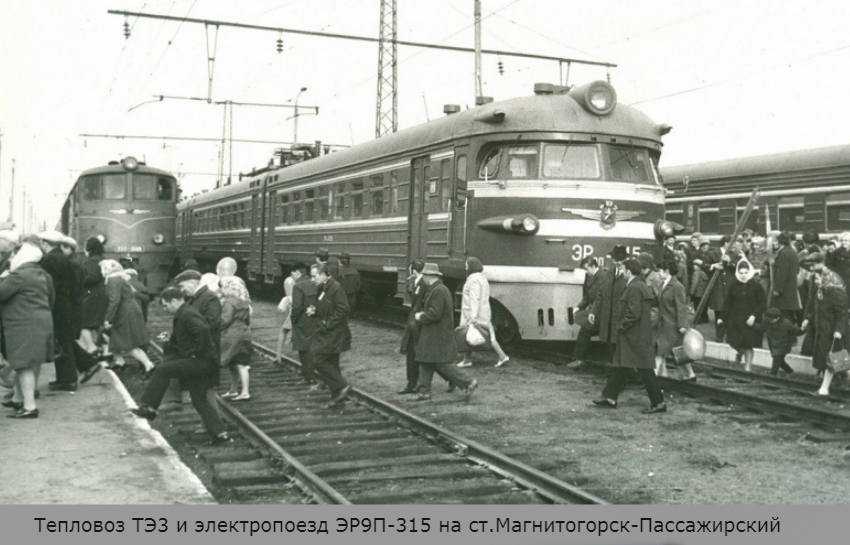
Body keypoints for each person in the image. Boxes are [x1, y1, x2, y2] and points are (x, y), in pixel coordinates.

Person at [131, 287, 232, 445]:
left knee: (162, 370)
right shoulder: (185, 313)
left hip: (201, 362)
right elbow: (186, 338)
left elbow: (203, 330)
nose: (165, 309)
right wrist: (170, 340)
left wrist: (195, 352)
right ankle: (220, 434)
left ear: (175, 301)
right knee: (199, 399)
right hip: (206, 362)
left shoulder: (187, 313)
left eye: (166, 305)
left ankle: (149, 408)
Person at [592, 258, 666, 413]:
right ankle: (610, 398)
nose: (622, 271)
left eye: (624, 269)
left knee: (644, 369)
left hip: (633, 335)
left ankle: (658, 403)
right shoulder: (639, 285)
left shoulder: (634, 287)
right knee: (621, 365)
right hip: (636, 335)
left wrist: (621, 326)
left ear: (629, 271)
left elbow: (634, 313)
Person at [0, 240, 54, 418]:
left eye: (16, 254)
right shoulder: (43, 274)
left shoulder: (18, 275)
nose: (13, 257)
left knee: (22, 366)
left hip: (22, 326)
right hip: (41, 323)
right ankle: (17, 400)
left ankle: (30, 407)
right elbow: (51, 299)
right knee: (28, 365)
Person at [413, 263, 477, 402]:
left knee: (442, 363)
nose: (423, 277)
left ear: (430, 276)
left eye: (424, 275)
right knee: (425, 361)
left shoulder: (438, 291)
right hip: (435, 333)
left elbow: (435, 314)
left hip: (437, 334)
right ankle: (423, 391)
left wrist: (420, 317)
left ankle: (468, 382)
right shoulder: (438, 289)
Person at [800, 253, 850, 395]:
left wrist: (839, 329)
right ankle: (825, 388)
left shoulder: (834, 284)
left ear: (821, 263)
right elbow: (815, 303)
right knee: (838, 360)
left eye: (813, 265)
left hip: (834, 329)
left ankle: (824, 389)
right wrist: (808, 318)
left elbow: (841, 311)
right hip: (824, 327)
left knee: (834, 359)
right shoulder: (819, 280)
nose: (811, 269)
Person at [38, 230, 78, 391]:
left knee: (60, 341)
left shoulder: (48, 259)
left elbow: (49, 286)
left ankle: (67, 380)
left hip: (56, 304)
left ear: (45, 243)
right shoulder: (63, 257)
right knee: (65, 340)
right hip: (65, 303)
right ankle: (66, 378)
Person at [308, 263, 352, 408]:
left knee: (318, 359)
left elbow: (344, 309)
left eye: (314, 276)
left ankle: (342, 385)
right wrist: (315, 312)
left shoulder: (335, 287)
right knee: (332, 364)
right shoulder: (323, 287)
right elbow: (327, 307)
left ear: (323, 274)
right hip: (328, 332)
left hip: (334, 333)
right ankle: (338, 400)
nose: (312, 279)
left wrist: (328, 323)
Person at [100, 260, 155, 375]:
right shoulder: (120, 278)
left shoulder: (112, 280)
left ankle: (149, 365)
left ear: (106, 269)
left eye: (102, 268)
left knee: (128, 343)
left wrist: (107, 318)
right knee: (115, 338)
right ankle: (119, 362)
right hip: (129, 310)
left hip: (125, 313)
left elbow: (114, 301)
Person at [457, 257, 510, 368]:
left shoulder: (473, 280)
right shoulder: (482, 279)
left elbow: (474, 298)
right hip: (484, 312)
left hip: (473, 313)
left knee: (468, 334)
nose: (466, 268)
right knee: (488, 335)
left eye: (467, 266)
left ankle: (468, 359)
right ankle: (501, 355)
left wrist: (473, 317)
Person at [719, 258, 766, 372]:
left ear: (749, 272)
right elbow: (728, 303)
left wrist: (754, 316)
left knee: (748, 344)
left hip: (750, 320)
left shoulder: (756, 286)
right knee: (736, 341)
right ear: (737, 273)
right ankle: (739, 353)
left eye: (745, 273)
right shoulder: (734, 286)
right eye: (741, 273)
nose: (744, 275)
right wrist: (721, 317)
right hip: (736, 319)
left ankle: (748, 367)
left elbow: (762, 303)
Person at [655, 260, 696, 381]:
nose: (657, 274)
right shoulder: (664, 285)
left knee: (664, 353)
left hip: (673, 325)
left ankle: (654, 379)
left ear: (667, 272)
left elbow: (681, 306)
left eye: (659, 271)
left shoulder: (677, 286)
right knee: (676, 352)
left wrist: (682, 325)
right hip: (665, 324)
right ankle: (690, 375)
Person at [589, 245, 629, 357]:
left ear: (625, 260)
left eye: (620, 261)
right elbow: (601, 294)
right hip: (608, 318)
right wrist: (593, 311)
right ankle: (616, 370)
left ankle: (623, 372)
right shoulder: (608, 273)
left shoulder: (630, 275)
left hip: (621, 317)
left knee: (621, 345)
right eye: (615, 260)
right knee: (608, 343)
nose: (617, 263)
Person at [219, 276, 253, 401]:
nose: (221, 289)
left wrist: (214, 324)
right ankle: (234, 390)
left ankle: (244, 392)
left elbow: (225, 320)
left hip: (233, 334)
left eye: (222, 287)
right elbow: (248, 319)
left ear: (228, 287)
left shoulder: (229, 301)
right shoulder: (245, 301)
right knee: (235, 363)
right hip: (245, 332)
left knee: (240, 363)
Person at [569, 256, 602, 369]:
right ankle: (579, 359)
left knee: (585, 331)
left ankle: (580, 360)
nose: (585, 272)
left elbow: (600, 298)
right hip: (595, 312)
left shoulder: (603, 276)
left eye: (587, 269)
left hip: (601, 313)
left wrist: (592, 311)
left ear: (593, 266)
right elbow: (587, 297)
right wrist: (578, 307)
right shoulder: (590, 276)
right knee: (585, 330)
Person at [290, 262, 319, 383]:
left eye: (292, 274)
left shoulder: (298, 286)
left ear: (297, 272)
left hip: (302, 321)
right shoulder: (315, 282)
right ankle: (313, 374)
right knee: (313, 348)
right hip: (315, 319)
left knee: (303, 349)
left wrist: (293, 319)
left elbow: (297, 307)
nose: (292, 277)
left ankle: (309, 376)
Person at [80, 236, 107, 356]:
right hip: (101, 295)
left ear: (89, 248)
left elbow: (92, 277)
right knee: (98, 324)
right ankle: (107, 350)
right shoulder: (102, 259)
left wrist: (78, 279)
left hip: (92, 296)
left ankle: (91, 348)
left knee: (82, 323)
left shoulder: (92, 262)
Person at [762, 307, 803, 376]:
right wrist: (753, 326)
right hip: (773, 346)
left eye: (772, 319)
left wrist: (803, 329)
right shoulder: (767, 322)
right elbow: (761, 328)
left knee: (777, 361)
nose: (771, 321)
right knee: (780, 362)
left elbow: (796, 331)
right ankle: (790, 372)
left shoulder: (786, 324)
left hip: (783, 346)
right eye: (769, 319)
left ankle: (772, 376)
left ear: (778, 318)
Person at [771, 231, 802, 322]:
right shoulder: (793, 252)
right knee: (789, 313)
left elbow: (782, 273)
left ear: (780, 242)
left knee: (784, 313)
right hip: (792, 285)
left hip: (784, 288)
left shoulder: (782, 253)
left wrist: (777, 289)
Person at [275, 272, 296, 363]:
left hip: (293, 309)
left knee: (283, 331)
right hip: (296, 309)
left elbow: (290, 298)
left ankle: (278, 356)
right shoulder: (291, 281)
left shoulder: (288, 281)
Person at [336, 252, 361, 316]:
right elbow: (358, 286)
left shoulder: (337, 271)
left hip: (340, 301)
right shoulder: (355, 271)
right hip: (351, 300)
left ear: (339, 261)